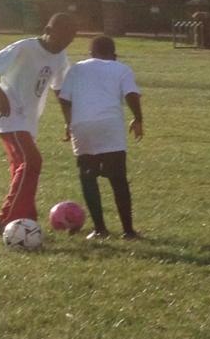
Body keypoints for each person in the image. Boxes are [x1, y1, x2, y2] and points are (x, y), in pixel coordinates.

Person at [0, 14, 76, 236]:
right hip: (8, 114)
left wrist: (69, 122)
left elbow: (60, 90)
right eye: (62, 38)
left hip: (27, 120)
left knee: (21, 166)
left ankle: (24, 218)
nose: (64, 44)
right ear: (48, 30)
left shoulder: (60, 57)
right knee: (32, 161)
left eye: (70, 40)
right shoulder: (25, 47)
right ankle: (4, 219)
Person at [57, 35, 144, 239]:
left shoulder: (77, 68)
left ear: (91, 53)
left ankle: (99, 229)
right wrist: (138, 119)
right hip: (109, 125)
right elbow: (131, 94)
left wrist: (69, 123)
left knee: (88, 178)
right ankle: (128, 231)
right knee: (118, 179)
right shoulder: (121, 68)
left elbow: (64, 99)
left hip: (82, 126)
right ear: (113, 55)